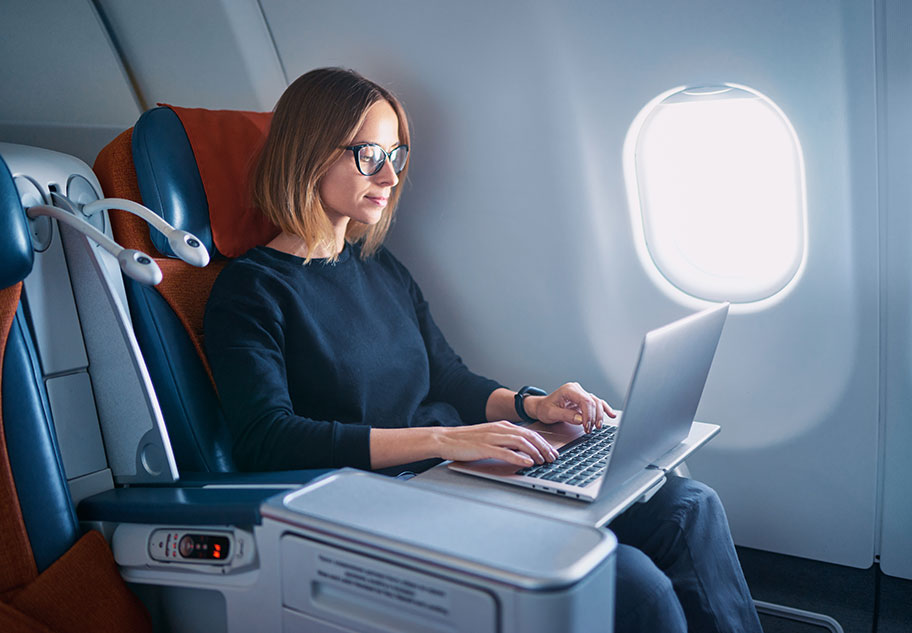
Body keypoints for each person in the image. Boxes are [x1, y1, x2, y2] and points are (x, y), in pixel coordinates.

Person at [204, 67, 763, 632]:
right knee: (635, 587)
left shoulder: (378, 266)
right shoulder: (251, 290)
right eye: (370, 154)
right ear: (309, 152)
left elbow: (447, 379)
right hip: (390, 499)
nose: (390, 176)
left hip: (460, 473)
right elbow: (265, 440)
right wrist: (449, 439)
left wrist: (533, 408)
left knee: (690, 507)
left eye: (397, 156)